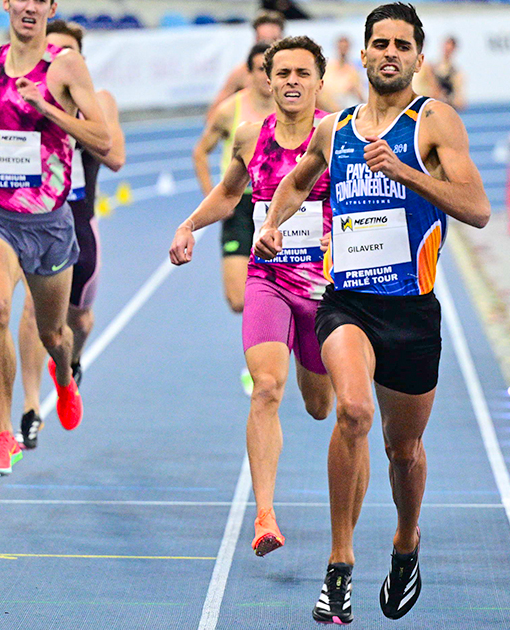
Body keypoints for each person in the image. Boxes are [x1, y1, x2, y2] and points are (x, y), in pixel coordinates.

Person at [255, 3, 490, 624]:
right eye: (378, 43)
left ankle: (406, 545)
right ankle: (339, 566)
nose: (389, 53)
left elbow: (476, 207)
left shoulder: (434, 122)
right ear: (361, 55)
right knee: (352, 410)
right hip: (347, 304)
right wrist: (273, 225)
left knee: (404, 449)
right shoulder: (335, 129)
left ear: (418, 57)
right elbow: (300, 177)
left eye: (401, 45)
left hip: (412, 312)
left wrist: (408, 173)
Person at [170, 35, 334, 558]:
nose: (290, 82)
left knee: (318, 405)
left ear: (318, 81)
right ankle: (265, 515)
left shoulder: (338, 135)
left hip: (327, 288)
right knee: (266, 387)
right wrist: (189, 225)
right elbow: (228, 193)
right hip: (268, 278)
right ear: (266, 79)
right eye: (281, 73)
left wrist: (342, 237)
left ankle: (316, 379)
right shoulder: (249, 135)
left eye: (301, 73)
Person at [0, 0, 110, 479]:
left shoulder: (65, 64)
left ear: (51, 7)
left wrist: (46, 109)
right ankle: (2, 434)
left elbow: (105, 138)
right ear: (7, 4)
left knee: (54, 334)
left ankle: (65, 376)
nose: (29, 6)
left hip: (50, 222)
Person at [15, 18, 126, 450]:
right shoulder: (23, 94)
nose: (54, 60)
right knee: (30, 310)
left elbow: (115, 156)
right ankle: (29, 408)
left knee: (78, 317)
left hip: (79, 217)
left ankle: (70, 363)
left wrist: (58, 116)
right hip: (36, 213)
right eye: (50, 50)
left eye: (64, 53)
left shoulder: (97, 101)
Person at [193, 43, 275, 316]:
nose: (267, 76)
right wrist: (212, 197)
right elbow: (200, 152)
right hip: (239, 205)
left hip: (279, 205)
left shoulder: (292, 107)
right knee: (237, 299)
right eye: (261, 69)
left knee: (292, 291)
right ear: (248, 73)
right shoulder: (230, 110)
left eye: (271, 69)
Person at [205, 12, 284, 117]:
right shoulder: (242, 72)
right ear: (256, 40)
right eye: (263, 40)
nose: (268, 46)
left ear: (282, 38)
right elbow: (214, 111)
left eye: (274, 40)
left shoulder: (295, 72)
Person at [319, 35, 364, 112]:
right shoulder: (328, 68)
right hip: (327, 107)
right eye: (341, 47)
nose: (343, 51)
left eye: (345, 48)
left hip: (344, 106)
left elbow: (360, 96)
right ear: (337, 48)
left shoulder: (353, 71)